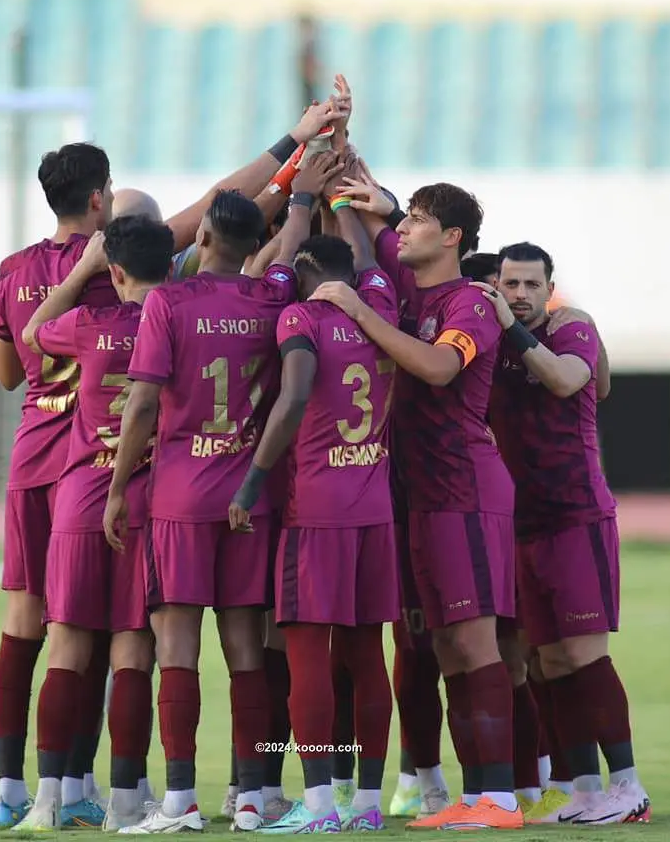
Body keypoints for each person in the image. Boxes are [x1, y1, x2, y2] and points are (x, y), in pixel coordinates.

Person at [103, 136, 345, 833]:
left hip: (179, 496)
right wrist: (302, 194)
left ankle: (178, 800)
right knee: (246, 650)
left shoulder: (168, 304)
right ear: (251, 243)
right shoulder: (273, 298)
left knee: (176, 649)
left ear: (203, 234)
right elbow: (291, 239)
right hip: (250, 498)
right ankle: (249, 797)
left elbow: (143, 405)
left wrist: (120, 489)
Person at [310, 178, 522, 831]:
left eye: (419, 221)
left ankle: (501, 799)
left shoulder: (473, 304)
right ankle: (476, 796)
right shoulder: (407, 283)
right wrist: (341, 162)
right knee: (445, 649)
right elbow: (359, 216)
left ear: (451, 236)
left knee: (472, 641)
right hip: (416, 494)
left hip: (464, 491)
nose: (404, 230)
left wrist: (360, 313)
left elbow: (436, 368)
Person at [228, 207, 398, 834]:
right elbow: (373, 265)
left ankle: (321, 804)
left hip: (316, 512)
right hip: (375, 509)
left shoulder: (302, 315)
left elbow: (296, 394)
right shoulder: (379, 306)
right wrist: (348, 203)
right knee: (367, 659)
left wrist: (251, 482)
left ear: (304, 276)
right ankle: (369, 805)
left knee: (307, 660)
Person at [11, 216, 175, 832]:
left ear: (115, 271)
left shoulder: (88, 324)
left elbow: (31, 333)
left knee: (68, 652)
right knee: (136, 652)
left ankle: (48, 800)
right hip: (152, 502)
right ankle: (127, 801)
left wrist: (80, 272)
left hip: (82, 497)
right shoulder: (178, 322)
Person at [483, 242, 650, 826]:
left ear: (548, 288)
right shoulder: (491, 340)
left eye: (532, 284)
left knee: (584, 656)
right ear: (497, 284)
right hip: (522, 524)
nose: (521, 294)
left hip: (576, 516)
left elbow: (569, 381)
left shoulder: (569, 328)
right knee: (546, 662)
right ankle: (583, 790)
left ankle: (628, 788)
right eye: (511, 284)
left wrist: (510, 327)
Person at [0, 142, 118, 828]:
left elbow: (9, 374)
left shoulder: (13, 269)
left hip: (28, 458)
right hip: (85, 465)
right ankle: (73, 784)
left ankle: (8, 790)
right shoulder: (113, 264)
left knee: (21, 625)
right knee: (84, 629)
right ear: (99, 197)